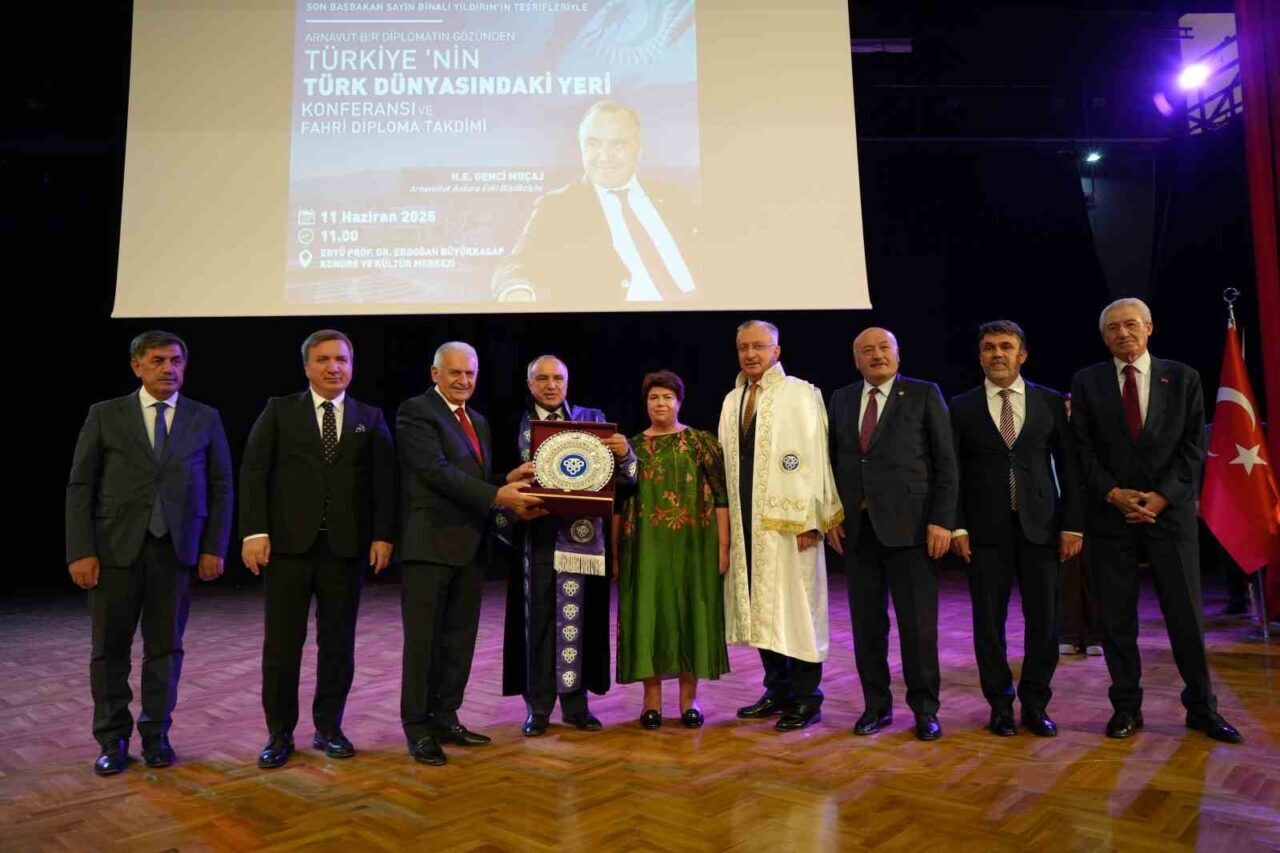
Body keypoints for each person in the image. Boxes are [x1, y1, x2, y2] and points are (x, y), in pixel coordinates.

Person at [1070, 297, 1242, 743]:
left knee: (1186, 618)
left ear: (1149, 328)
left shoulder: (1182, 377)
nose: (1122, 333)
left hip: (1170, 517)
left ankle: (1202, 708)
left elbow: (1192, 446)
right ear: (1103, 335)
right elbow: (1082, 450)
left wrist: (1163, 497)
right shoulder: (1087, 382)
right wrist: (1113, 493)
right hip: (1112, 518)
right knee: (1116, 619)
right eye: (1113, 328)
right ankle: (1126, 707)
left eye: (1131, 325)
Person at [66, 330, 233, 775]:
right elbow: (81, 485)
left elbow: (221, 486)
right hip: (114, 551)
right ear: (137, 366)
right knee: (109, 651)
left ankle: (157, 735)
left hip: (176, 553)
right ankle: (113, 740)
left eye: (176, 360)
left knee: (166, 648)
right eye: (158, 360)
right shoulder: (106, 415)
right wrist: (80, 550)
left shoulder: (205, 417)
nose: (169, 369)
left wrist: (214, 546)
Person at [240, 330, 398, 769]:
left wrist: (383, 535)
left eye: (342, 360)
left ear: (352, 366)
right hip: (288, 549)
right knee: (282, 647)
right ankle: (279, 734)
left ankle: (330, 728)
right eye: (325, 360)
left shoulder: (370, 416)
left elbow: (385, 482)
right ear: (307, 367)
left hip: (345, 551)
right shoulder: (278, 411)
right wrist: (254, 532)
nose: (334, 368)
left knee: (338, 645)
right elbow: (254, 473)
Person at [396, 342, 544, 766]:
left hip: (469, 546)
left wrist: (505, 478)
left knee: (459, 640)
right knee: (423, 643)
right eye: (455, 372)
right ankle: (418, 728)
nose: (464, 380)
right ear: (435, 373)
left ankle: (446, 716)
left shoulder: (476, 420)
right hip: (429, 545)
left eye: (471, 374)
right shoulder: (416, 411)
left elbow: (470, 479)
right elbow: (436, 472)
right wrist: (499, 493)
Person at [949, 320, 1083, 738]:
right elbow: (950, 472)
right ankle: (1001, 705)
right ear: (980, 355)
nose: (997, 354)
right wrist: (956, 526)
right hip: (985, 532)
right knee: (988, 624)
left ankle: (1036, 704)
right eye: (989, 347)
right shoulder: (961, 406)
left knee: (1043, 622)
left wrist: (1073, 525)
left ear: (1022, 355)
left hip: (1041, 530)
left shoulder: (1048, 401)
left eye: (1006, 347)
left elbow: (1072, 467)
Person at [827, 327, 957, 741]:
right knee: (867, 628)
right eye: (867, 350)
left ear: (898, 355)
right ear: (856, 360)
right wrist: (831, 515)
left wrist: (942, 520)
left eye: (884, 348)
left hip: (914, 530)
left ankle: (924, 710)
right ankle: (876, 707)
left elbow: (946, 462)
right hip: (859, 533)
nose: (876, 355)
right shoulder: (842, 398)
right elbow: (831, 462)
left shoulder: (923, 394)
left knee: (918, 628)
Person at [500, 355, 638, 735]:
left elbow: (626, 482)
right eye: (541, 379)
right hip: (535, 542)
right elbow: (495, 484)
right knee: (537, 626)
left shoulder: (592, 422)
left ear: (567, 381)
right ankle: (538, 709)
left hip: (582, 541)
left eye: (557, 378)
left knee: (580, 624)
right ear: (529, 385)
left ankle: (577, 706)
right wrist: (511, 507)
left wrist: (626, 455)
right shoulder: (514, 426)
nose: (550, 385)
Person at [718, 321, 843, 733]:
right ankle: (778, 689)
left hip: (790, 523)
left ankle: (808, 698)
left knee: (799, 608)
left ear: (777, 350)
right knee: (760, 607)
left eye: (759, 346)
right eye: (743, 347)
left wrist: (813, 518)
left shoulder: (800, 393)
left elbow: (814, 454)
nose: (751, 354)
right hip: (747, 521)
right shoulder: (733, 399)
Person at [491, 100, 698, 304]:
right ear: (581, 148)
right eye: (593, 144)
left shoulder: (675, 197)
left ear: (639, 150)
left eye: (618, 144)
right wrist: (516, 292)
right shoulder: (558, 207)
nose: (604, 157)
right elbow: (515, 266)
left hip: (702, 311)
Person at [613, 370, 730, 729]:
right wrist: (616, 554)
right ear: (645, 403)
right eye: (653, 397)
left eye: (667, 397)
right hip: (644, 548)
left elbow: (722, 497)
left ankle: (689, 702)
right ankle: (651, 702)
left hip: (694, 547)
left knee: (690, 615)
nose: (660, 403)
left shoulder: (700, 442)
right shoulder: (629, 447)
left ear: (679, 402)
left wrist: (723, 546)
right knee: (649, 616)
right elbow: (617, 504)